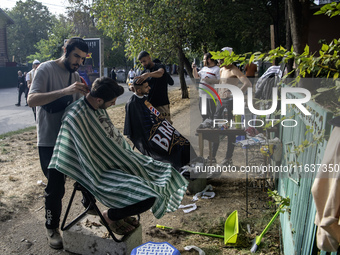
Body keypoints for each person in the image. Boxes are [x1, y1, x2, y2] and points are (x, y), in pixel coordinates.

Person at [49, 77, 188, 235]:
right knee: (148, 197)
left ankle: (120, 212)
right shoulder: (75, 117)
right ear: (99, 99)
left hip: (119, 160)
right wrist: (105, 163)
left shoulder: (98, 107)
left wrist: (122, 156)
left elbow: (111, 138)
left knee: (166, 171)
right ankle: (110, 216)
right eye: (112, 101)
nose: (113, 104)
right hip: (99, 172)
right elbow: (76, 155)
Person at [27, 37, 90, 249]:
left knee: (90, 172)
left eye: (82, 58)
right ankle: (51, 227)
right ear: (65, 50)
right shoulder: (45, 69)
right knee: (55, 187)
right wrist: (65, 91)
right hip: (49, 140)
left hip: (70, 138)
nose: (78, 62)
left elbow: (78, 106)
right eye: (75, 56)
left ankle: (91, 210)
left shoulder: (75, 74)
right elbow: (32, 100)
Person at [124, 78, 196, 170]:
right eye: (146, 87)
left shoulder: (144, 99)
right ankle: (182, 167)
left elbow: (155, 114)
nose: (149, 88)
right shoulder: (132, 104)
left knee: (184, 142)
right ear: (138, 90)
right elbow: (134, 128)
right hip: (149, 137)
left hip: (158, 128)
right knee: (175, 148)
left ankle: (191, 164)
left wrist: (164, 124)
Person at [212, 47, 252, 166]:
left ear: (228, 58)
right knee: (215, 129)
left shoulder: (234, 70)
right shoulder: (221, 70)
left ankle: (228, 158)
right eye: (219, 58)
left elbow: (247, 83)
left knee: (231, 131)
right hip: (220, 102)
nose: (219, 60)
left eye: (222, 58)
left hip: (231, 103)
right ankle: (213, 157)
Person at [135, 51, 173, 124]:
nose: (143, 64)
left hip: (162, 104)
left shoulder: (159, 66)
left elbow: (160, 73)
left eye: (144, 61)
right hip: (150, 105)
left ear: (149, 58)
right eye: (141, 62)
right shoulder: (144, 72)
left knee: (166, 126)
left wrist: (148, 75)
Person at [192, 52, 220, 121]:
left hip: (210, 97)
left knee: (211, 115)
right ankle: (205, 126)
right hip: (202, 96)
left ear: (209, 59)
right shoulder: (204, 68)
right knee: (203, 114)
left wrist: (210, 81)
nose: (203, 61)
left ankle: (211, 129)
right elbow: (196, 76)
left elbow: (221, 81)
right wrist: (194, 68)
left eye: (204, 59)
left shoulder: (217, 69)